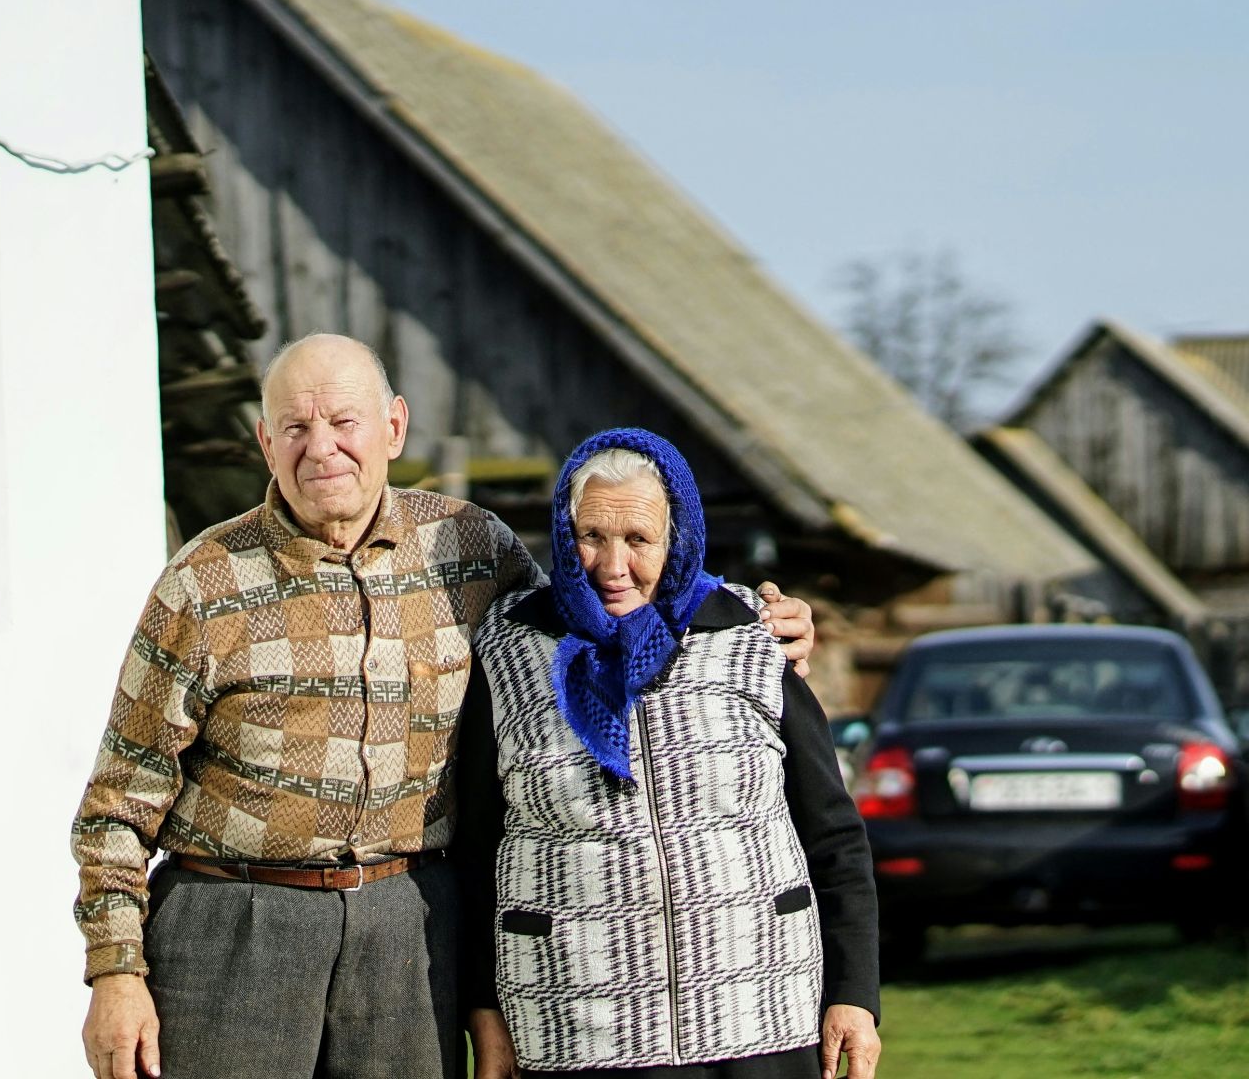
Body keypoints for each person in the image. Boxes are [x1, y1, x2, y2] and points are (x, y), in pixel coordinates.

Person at [72, 335, 819, 1079]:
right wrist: (115, 974)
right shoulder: (202, 582)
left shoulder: (470, 548)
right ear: (266, 442)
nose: (321, 448)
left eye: (344, 421)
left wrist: (753, 618)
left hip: (409, 928)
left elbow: (603, 610)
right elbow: (118, 802)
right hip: (233, 926)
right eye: (295, 428)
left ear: (394, 427)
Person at [457, 428, 881, 1079]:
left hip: (761, 1017)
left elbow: (833, 833)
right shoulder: (509, 649)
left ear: (675, 538)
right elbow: (477, 851)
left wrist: (854, 994)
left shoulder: (751, 635)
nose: (612, 564)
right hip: (578, 1029)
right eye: (591, 536)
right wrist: (484, 1010)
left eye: (638, 540)